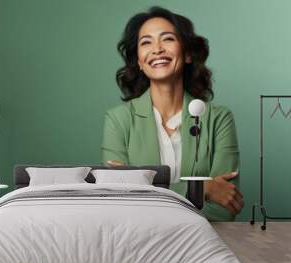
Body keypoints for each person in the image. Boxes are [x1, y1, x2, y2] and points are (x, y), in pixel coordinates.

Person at [101, 6, 243, 221]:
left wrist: (143, 189)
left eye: (167, 39)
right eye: (146, 42)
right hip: (138, 244)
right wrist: (202, 188)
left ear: (187, 54)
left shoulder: (218, 119)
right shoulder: (118, 119)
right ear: (139, 61)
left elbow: (225, 208)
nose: (157, 49)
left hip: (204, 244)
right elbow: (119, 201)